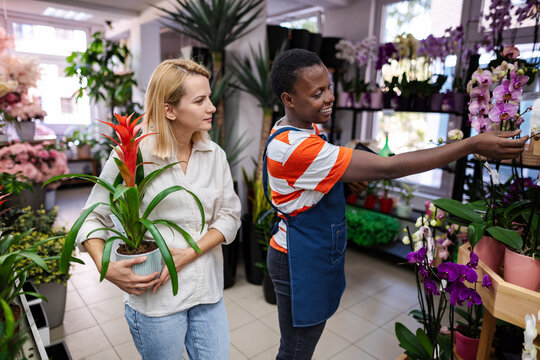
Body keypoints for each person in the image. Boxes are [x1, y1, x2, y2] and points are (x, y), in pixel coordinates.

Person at [263, 48, 528, 360]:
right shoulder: (296, 147)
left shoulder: (299, 127)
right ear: (289, 99)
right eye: (317, 92)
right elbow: (390, 167)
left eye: (329, 86)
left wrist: (339, 176)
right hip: (297, 260)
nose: (329, 97)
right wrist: (469, 144)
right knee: (294, 352)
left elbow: (310, 182)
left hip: (311, 253)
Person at [77, 58, 241, 360]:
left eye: (210, 98)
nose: (212, 107)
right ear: (169, 109)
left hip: (208, 292)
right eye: (200, 100)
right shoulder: (132, 156)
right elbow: (92, 219)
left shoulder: (213, 154)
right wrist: (106, 268)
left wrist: (187, 254)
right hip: (157, 300)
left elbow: (230, 216)